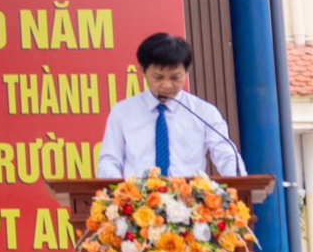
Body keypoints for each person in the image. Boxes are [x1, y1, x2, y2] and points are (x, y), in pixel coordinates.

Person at [94, 32, 243, 179]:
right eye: (158, 77)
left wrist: (239, 183)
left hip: (190, 193)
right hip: (138, 193)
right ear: (143, 71)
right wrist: (121, 190)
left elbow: (226, 154)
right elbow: (109, 162)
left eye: (175, 77)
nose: (167, 85)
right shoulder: (123, 112)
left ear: (186, 72)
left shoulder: (204, 112)